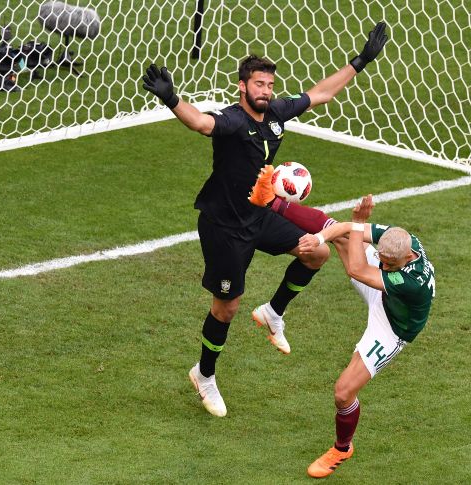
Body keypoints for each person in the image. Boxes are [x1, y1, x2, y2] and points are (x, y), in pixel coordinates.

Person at [142, 22, 390, 418]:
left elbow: (321, 93)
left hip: (261, 214)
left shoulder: (275, 113)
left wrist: (360, 61)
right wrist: (172, 99)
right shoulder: (232, 121)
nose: (266, 91)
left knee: (317, 253)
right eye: (259, 84)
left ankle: (274, 313)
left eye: (270, 85)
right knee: (226, 307)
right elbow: (200, 123)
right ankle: (204, 375)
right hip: (224, 225)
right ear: (242, 86)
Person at [293, 194, 435, 478]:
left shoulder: (410, 282)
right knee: (342, 235)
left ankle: (342, 448)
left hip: (393, 328)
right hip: (385, 295)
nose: (382, 265)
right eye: (380, 259)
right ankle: (274, 204)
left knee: (343, 392)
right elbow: (346, 229)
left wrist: (358, 222)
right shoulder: (402, 241)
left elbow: (358, 270)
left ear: (407, 259)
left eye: (389, 264)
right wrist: (320, 238)